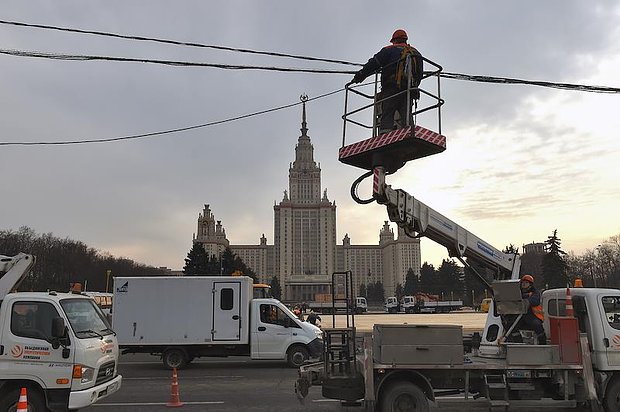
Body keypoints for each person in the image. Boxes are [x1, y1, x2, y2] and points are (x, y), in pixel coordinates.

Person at [351, 29, 424, 134]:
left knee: (388, 112)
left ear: (394, 40)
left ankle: (385, 135)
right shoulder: (416, 53)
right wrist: (412, 86)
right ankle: (410, 133)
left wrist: (359, 76)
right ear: (405, 40)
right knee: (406, 114)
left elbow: (373, 64)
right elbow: (419, 74)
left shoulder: (388, 50)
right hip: (408, 90)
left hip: (392, 88)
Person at [518, 274, 546, 344]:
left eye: (526, 283)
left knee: (537, 326)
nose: (524, 284)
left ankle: (543, 343)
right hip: (521, 316)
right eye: (523, 282)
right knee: (510, 325)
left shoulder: (535, 293)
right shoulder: (518, 292)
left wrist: (525, 298)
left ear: (530, 284)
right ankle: (517, 342)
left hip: (534, 316)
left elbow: (535, 301)